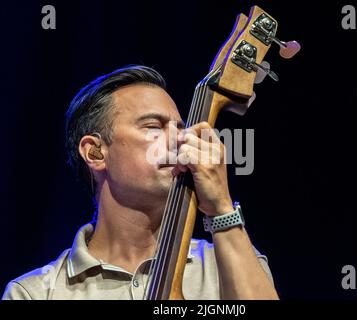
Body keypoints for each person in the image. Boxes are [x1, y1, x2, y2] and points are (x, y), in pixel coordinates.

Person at [2, 65, 278, 300]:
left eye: (180, 128)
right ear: (95, 152)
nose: (180, 139)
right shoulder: (35, 293)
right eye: (153, 126)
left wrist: (221, 208)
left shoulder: (226, 261)